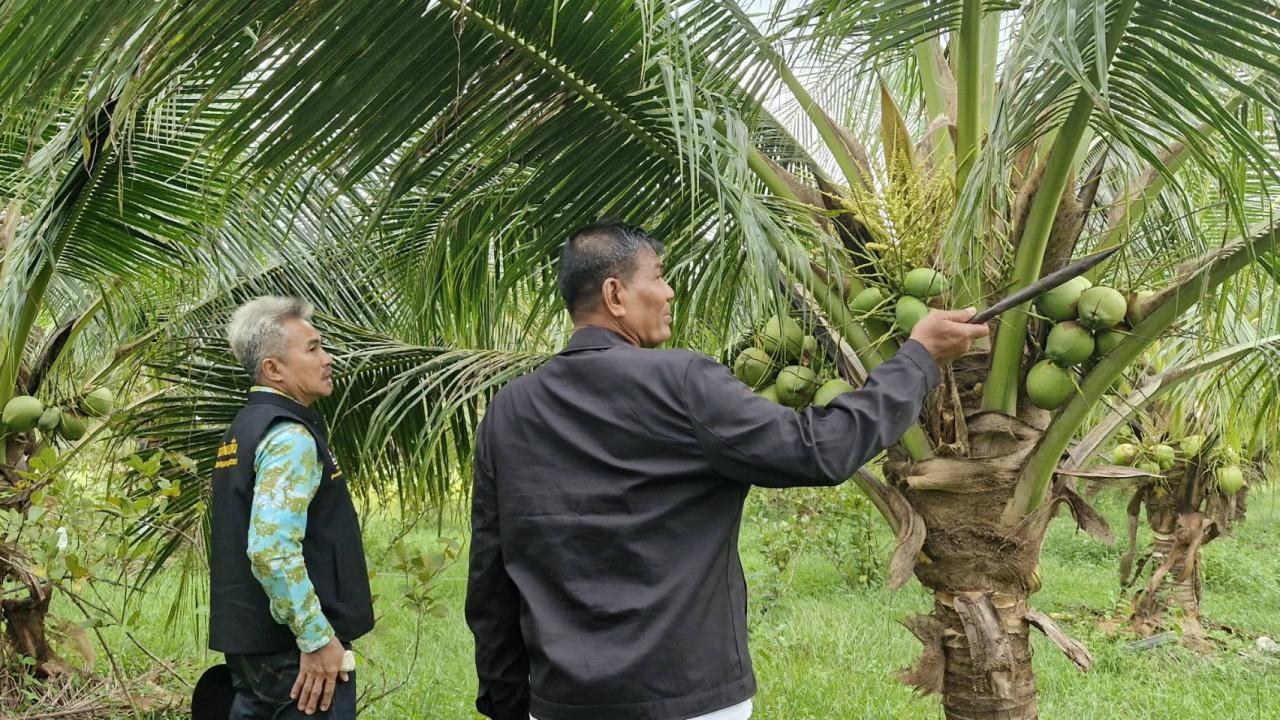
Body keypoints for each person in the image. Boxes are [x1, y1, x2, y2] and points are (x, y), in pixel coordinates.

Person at [465, 220, 988, 720]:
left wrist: (508, 702)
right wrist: (919, 358)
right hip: (691, 699)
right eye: (659, 277)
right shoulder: (683, 382)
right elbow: (820, 449)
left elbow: (491, 575)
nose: (670, 293)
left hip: (562, 703)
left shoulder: (508, 410)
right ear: (615, 295)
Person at [209, 296, 375, 719]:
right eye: (313, 348)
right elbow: (271, 549)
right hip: (295, 658)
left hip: (254, 650)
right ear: (274, 369)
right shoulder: (289, 437)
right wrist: (317, 639)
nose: (328, 358)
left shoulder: (243, 429)